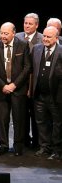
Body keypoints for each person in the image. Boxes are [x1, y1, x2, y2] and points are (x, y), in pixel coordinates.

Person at [0, 22, 31, 156]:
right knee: (2, 119)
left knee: (18, 119)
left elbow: (27, 67)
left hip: (18, 90)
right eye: (1, 33)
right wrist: (3, 86)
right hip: (1, 90)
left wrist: (14, 85)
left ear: (13, 33)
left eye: (6, 33)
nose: (3, 36)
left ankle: (18, 146)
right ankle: (4, 145)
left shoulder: (23, 45)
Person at [33, 26, 61, 159]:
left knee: (57, 123)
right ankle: (44, 147)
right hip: (39, 94)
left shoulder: (61, 52)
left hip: (55, 96)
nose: (45, 39)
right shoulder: (37, 49)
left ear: (57, 38)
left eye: (49, 37)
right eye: (44, 36)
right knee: (41, 121)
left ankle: (57, 150)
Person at [17, 13, 43, 150]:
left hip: (35, 82)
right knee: (21, 114)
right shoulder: (17, 37)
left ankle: (37, 142)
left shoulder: (42, 39)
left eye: (30, 24)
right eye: (25, 23)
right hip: (20, 82)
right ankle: (24, 140)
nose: (27, 26)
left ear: (37, 25)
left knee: (36, 114)